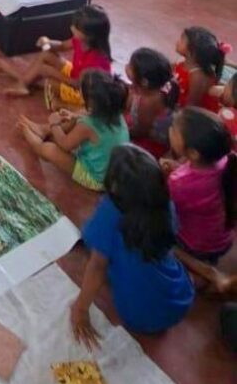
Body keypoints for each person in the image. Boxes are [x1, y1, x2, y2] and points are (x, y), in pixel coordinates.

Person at [71, 145, 195, 349]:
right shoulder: (165, 205)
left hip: (140, 318)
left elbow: (97, 267)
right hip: (180, 300)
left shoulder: (110, 211)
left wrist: (80, 309)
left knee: (99, 249)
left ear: (116, 186)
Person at [18, 69, 130, 192]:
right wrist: (73, 115)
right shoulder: (115, 113)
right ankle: (42, 130)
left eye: (81, 90)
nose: (79, 91)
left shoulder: (88, 125)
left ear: (91, 101)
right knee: (79, 116)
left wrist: (54, 123)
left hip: (96, 179)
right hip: (112, 176)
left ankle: (27, 131)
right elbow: (88, 117)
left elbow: (65, 145)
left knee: (49, 149)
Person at [0, 4, 112, 108]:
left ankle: (13, 75)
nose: (71, 27)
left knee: (48, 81)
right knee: (46, 55)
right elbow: (62, 46)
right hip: (75, 73)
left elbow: (77, 84)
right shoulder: (80, 40)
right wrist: (48, 42)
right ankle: (22, 83)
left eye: (76, 27)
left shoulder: (96, 62)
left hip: (83, 92)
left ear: (88, 35)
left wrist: (51, 72)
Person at [163, 108, 236, 264]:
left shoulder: (179, 183)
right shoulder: (226, 161)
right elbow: (203, 181)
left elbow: (163, 205)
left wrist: (166, 176)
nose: (170, 130)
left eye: (174, 131)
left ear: (194, 153)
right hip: (224, 240)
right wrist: (178, 168)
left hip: (196, 246)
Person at [125, 47, 177, 158]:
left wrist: (123, 133)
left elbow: (142, 131)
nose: (126, 67)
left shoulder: (148, 102)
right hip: (141, 122)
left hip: (150, 141)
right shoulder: (150, 89)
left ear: (144, 82)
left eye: (130, 66)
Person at [173, 26, 227, 111]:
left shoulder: (198, 76)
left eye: (182, 40)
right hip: (179, 107)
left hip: (194, 115)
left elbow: (192, 106)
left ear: (193, 51)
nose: (178, 42)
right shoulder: (181, 62)